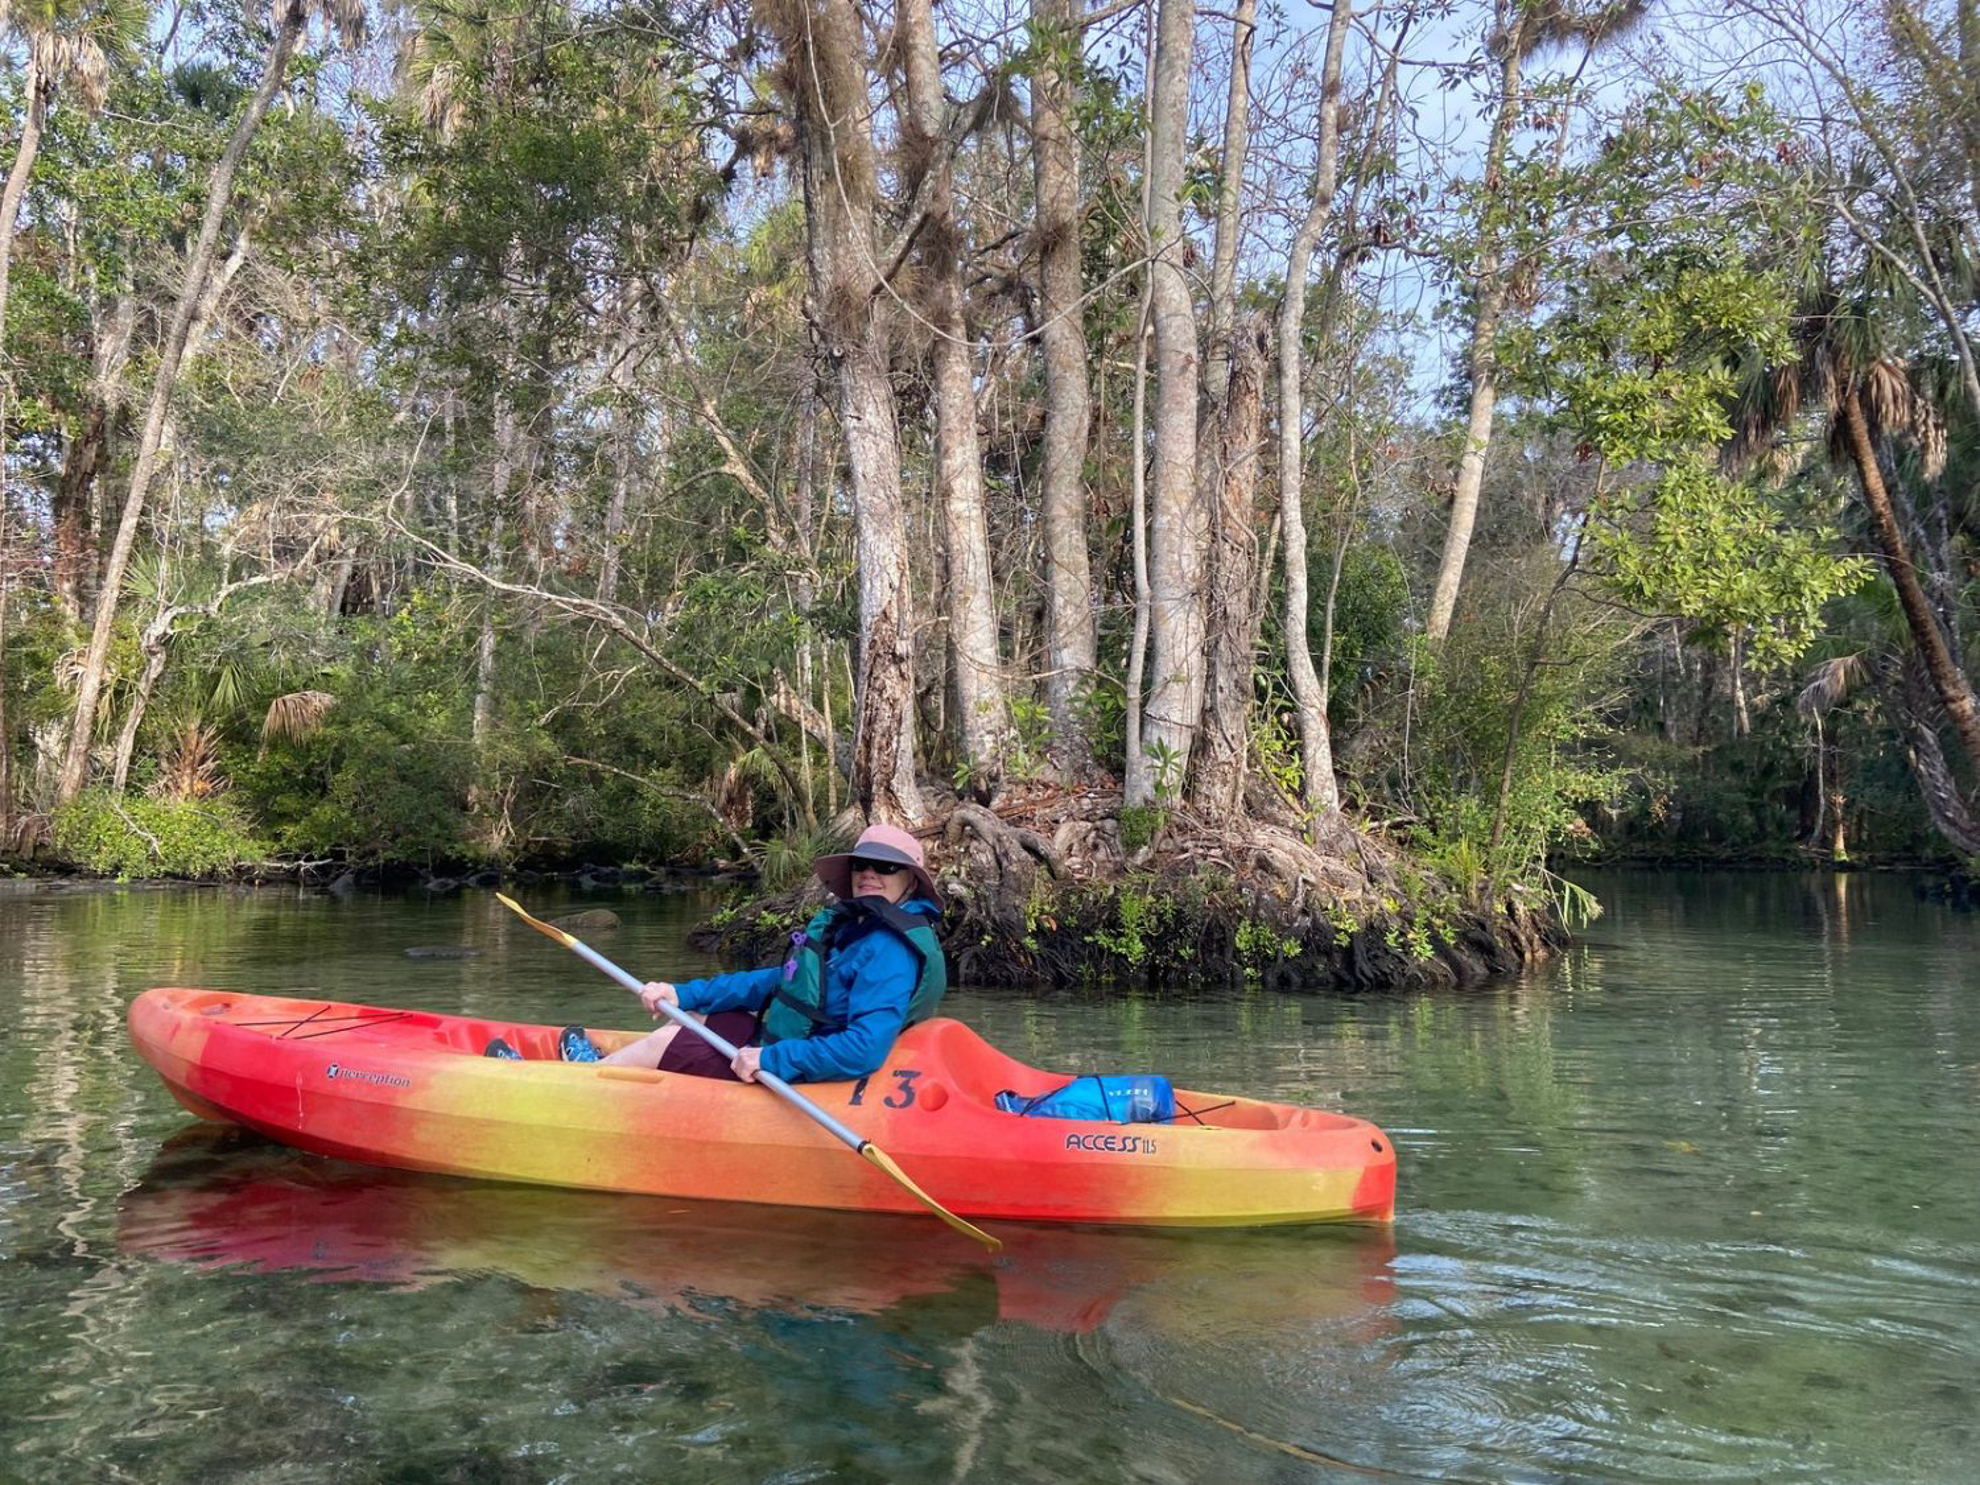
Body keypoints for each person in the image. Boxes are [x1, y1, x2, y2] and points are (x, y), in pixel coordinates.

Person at [513, 823, 946, 1085]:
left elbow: (865, 1051)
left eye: (886, 867)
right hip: (794, 1040)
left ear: (910, 881)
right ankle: (599, 1069)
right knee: (692, 1019)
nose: (870, 873)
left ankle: (570, 1084)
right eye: (862, 865)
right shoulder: (858, 930)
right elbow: (782, 982)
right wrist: (684, 995)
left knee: (673, 1039)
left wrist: (771, 1058)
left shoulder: (890, 948)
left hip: (801, 1062)